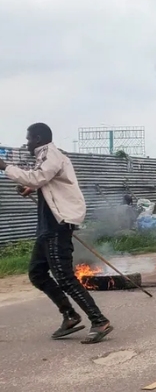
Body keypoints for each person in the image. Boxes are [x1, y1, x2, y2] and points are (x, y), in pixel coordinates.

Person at [0, 123, 113, 344]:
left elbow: (38, 177)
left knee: (64, 276)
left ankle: (99, 320)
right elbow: (44, 180)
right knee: (37, 274)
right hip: (46, 226)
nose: (27, 143)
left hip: (57, 226)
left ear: (40, 137)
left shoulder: (51, 153)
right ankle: (70, 315)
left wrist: (5, 166)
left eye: (30, 138)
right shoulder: (45, 155)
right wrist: (30, 188)